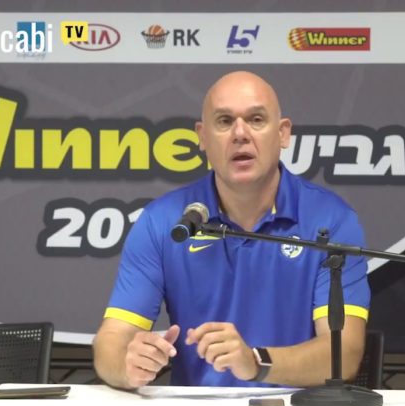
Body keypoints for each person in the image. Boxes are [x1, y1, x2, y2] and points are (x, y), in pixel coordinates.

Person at [93, 71, 370, 389]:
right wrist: (127, 364)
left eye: (256, 120)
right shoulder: (164, 221)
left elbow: (343, 354)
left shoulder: (332, 221)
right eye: (224, 121)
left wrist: (255, 362)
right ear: (202, 137)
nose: (240, 133)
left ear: (283, 134)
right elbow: (111, 341)